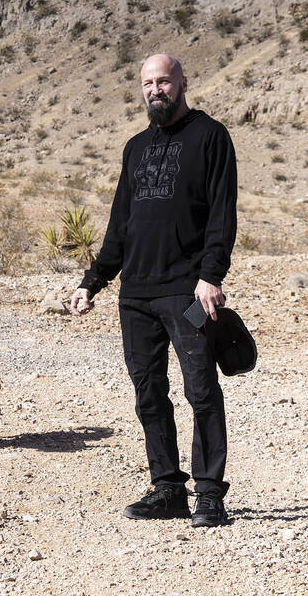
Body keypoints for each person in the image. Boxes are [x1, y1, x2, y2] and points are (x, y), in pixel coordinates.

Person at [70, 53, 237, 528]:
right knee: (149, 392)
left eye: (164, 81)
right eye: (148, 83)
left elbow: (223, 215)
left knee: (201, 390)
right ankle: (168, 488)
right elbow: (120, 223)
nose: (155, 90)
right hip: (136, 294)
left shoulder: (211, 137)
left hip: (187, 292)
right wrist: (94, 280)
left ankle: (209, 494)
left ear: (183, 82)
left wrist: (212, 275)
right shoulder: (135, 147)